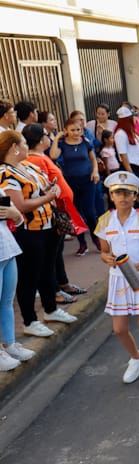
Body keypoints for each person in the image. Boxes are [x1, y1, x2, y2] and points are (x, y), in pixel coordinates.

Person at [0, 131, 77, 338]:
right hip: (29, 231)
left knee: (47, 270)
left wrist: (49, 191)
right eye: (24, 143)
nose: (27, 146)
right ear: (14, 148)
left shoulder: (27, 166)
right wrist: (48, 196)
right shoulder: (6, 174)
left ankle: (51, 309)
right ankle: (30, 320)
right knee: (29, 277)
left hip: (48, 226)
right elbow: (20, 205)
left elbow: (41, 189)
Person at [95, 171, 139, 387]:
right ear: (111, 196)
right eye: (118, 193)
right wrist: (107, 258)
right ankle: (137, 357)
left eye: (128, 193)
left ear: (136, 196)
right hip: (118, 280)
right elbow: (104, 251)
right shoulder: (105, 221)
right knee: (119, 329)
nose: (123, 197)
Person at [23, 124, 89, 303]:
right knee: (50, 256)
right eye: (45, 135)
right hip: (52, 212)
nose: (48, 137)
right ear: (39, 139)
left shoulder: (41, 157)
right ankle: (55, 291)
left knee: (56, 252)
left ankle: (63, 283)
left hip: (59, 210)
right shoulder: (35, 160)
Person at [49, 118, 100, 256]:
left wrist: (95, 171)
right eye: (72, 130)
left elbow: (93, 159)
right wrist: (56, 139)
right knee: (75, 213)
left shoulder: (86, 143)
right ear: (66, 131)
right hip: (70, 182)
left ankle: (96, 240)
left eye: (78, 130)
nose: (76, 132)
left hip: (87, 180)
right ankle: (82, 243)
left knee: (89, 212)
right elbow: (53, 155)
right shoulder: (62, 144)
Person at [0, 184, 29, 370]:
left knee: (7, 301)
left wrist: (13, 213)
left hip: (7, 249)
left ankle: (10, 345)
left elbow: (18, 219)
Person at [113, 106, 139, 208]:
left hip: (137, 166)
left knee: (137, 194)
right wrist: (130, 173)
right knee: (132, 196)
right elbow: (123, 154)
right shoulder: (120, 134)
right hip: (130, 167)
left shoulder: (131, 132)